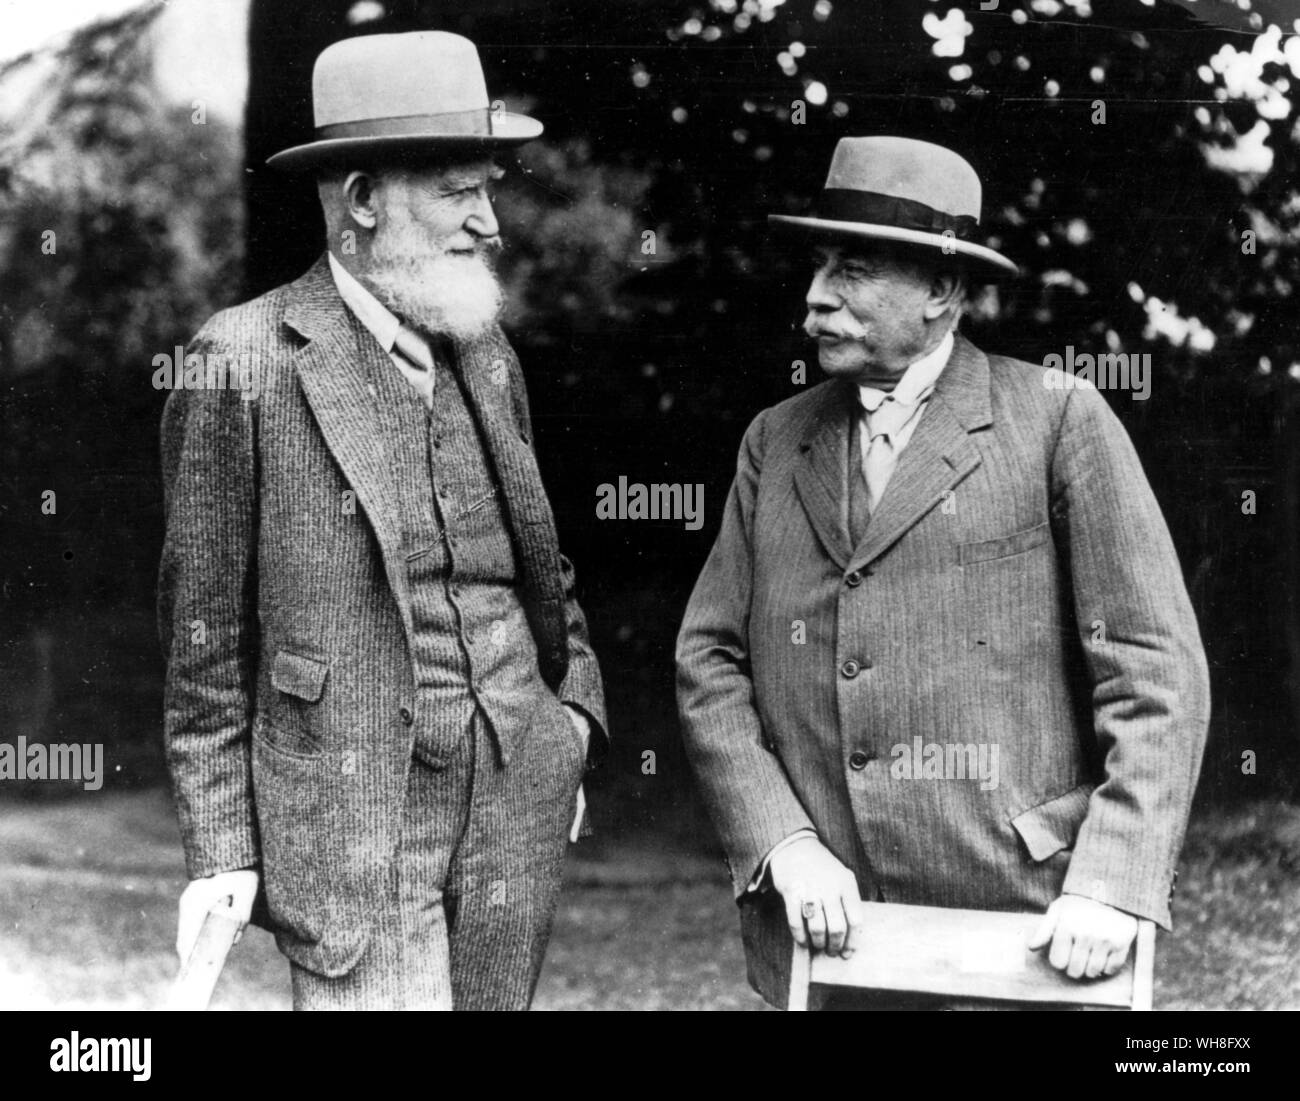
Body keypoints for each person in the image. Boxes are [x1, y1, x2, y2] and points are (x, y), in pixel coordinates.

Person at [676, 136, 1209, 1009]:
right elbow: (709, 660)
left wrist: (1112, 878)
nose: (816, 297)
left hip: (1026, 923)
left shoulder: (1057, 420)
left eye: (853, 268)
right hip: (831, 931)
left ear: (942, 290)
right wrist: (784, 842)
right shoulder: (776, 440)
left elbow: (1155, 673)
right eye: (818, 266)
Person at [159, 31, 606, 1010]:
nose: (489, 222)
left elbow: (541, 562)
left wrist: (567, 721)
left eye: (488, 189)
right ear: (362, 200)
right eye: (459, 191)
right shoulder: (242, 362)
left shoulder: (486, 349)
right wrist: (224, 849)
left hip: (515, 791)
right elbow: (203, 644)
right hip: (354, 809)